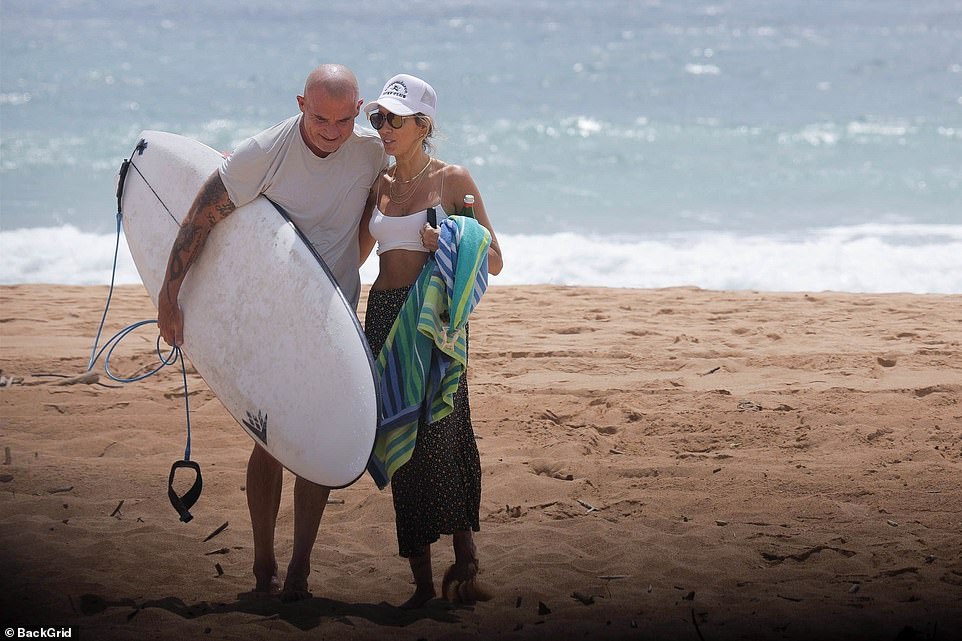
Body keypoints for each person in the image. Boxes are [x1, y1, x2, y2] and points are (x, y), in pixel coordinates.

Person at [156, 64, 387, 601]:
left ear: (357, 112)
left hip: (333, 318)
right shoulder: (265, 152)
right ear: (300, 102)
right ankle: (264, 564)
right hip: (275, 318)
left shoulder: (371, 151)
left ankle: (300, 570)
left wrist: (347, 268)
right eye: (318, 117)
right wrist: (171, 293)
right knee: (272, 440)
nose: (329, 131)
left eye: (341, 120)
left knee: (317, 439)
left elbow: (371, 211)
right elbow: (202, 215)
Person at [358, 73, 503, 609]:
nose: (384, 128)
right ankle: (421, 583)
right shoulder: (382, 184)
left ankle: (465, 562)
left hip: (434, 323)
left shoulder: (452, 181)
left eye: (395, 119)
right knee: (398, 437)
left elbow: (493, 259)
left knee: (444, 433)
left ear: (424, 124)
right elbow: (350, 254)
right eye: (378, 118)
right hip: (384, 316)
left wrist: (448, 240)